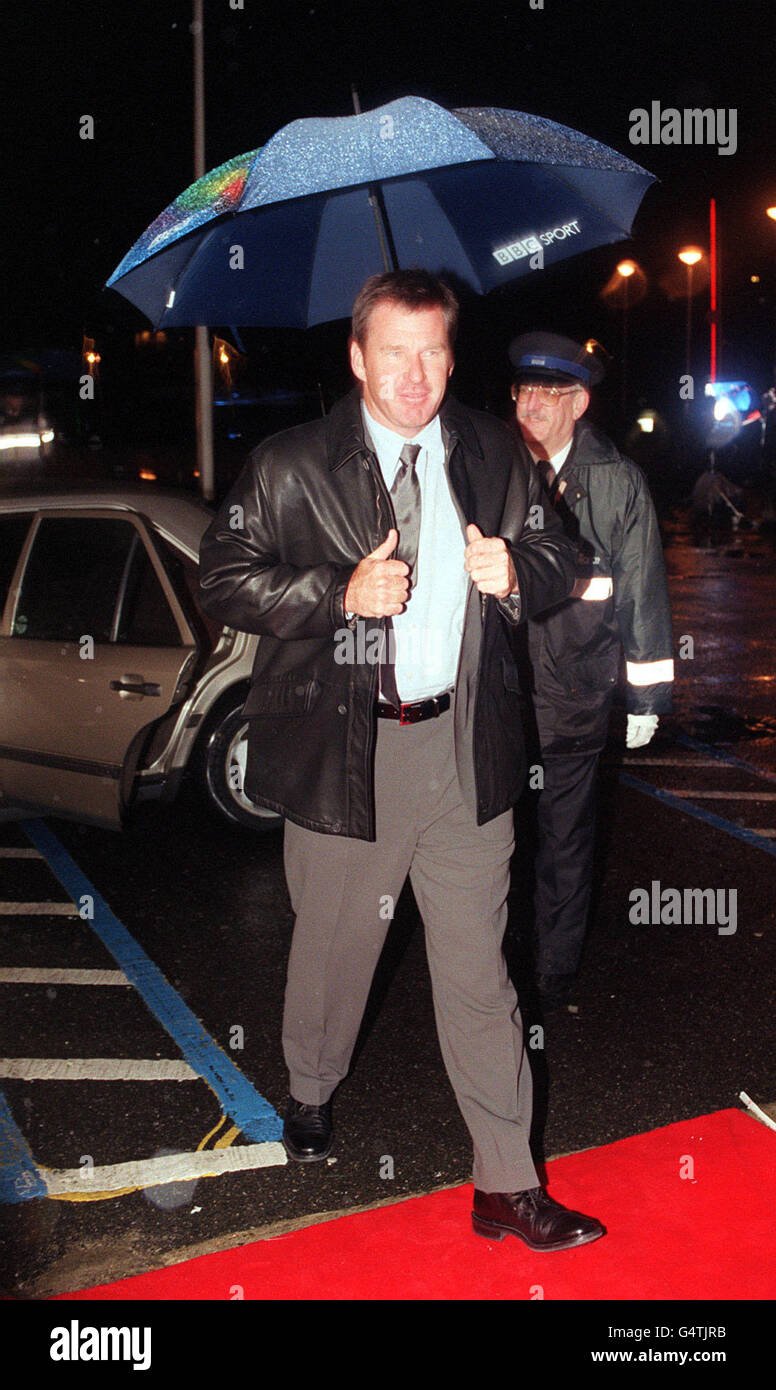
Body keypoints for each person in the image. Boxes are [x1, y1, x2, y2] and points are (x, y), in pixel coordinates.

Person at [198, 272, 605, 1251]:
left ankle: (504, 1183)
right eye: (395, 351)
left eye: (433, 351)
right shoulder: (292, 462)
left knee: (478, 978)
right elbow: (221, 577)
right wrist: (336, 592)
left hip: (465, 749)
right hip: (349, 755)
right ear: (355, 355)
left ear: (451, 356)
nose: (416, 375)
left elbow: (565, 547)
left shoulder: (490, 450)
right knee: (337, 953)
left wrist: (519, 565)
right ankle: (308, 1085)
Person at [509, 332, 674, 1011]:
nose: (529, 408)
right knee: (498, 835)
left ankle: (552, 965)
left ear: (577, 402)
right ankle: (499, 956)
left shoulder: (615, 483)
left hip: (574, 695)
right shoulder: (496, 467)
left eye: (545, 396)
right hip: (503, 691)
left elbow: (642, 590)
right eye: (521, 393)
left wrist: (645, 695)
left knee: (563, 836)